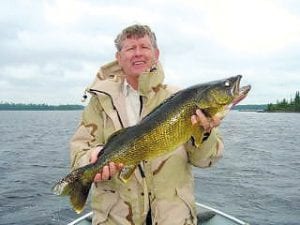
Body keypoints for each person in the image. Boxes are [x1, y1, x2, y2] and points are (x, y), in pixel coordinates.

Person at [70, 24, 224, 225]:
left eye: (144, 47)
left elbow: (206, 161)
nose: (138, 53)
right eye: (130, 48)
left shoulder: (180, 99)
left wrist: (205, 133)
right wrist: (90, 159)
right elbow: (78, 153)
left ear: (156, 53)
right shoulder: (100, 102)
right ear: (118, 57)